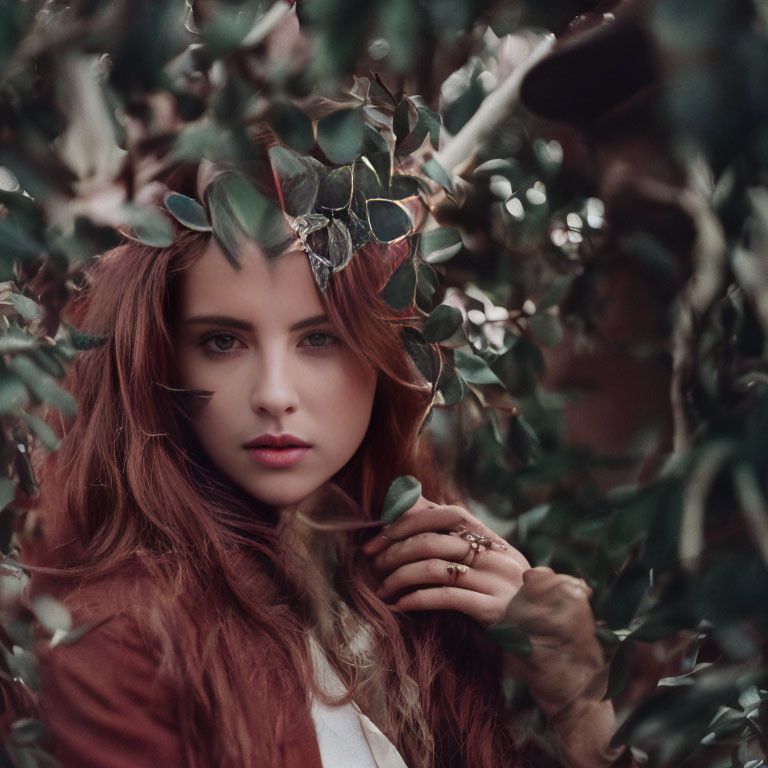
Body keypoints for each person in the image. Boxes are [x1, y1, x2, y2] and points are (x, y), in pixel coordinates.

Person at [4, 149, 628, 768]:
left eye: (319, 338)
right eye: (223, 341)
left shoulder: (408, 607)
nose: (275, 395)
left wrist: (580, 706)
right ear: (161, 361)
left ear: (381, 355)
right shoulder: (123, 636)